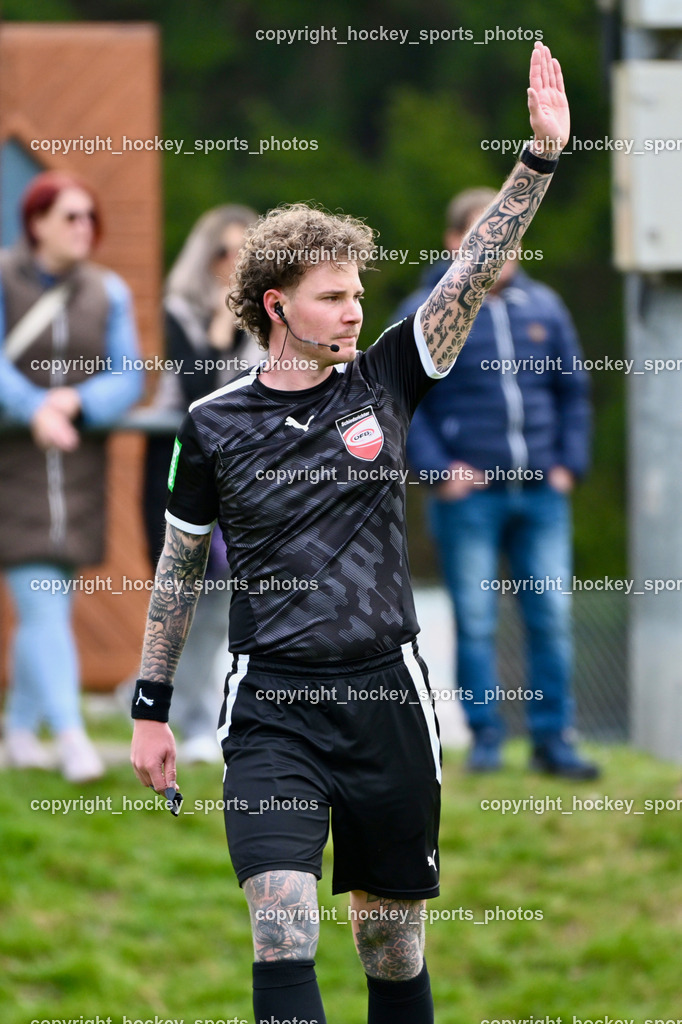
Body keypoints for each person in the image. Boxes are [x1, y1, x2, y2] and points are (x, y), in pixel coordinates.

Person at [131, 43, 570, 1024]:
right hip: (274, 706)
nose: (355, 308)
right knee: (281, 927)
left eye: (359, 294)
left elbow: (471, 268)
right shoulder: (213, 422)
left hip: (385, 696)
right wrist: (149, 705)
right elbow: (178, 563)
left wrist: (536, 160)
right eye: (334, 295)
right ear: (277, 304)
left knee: (390, 944)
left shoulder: (384, 380)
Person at [400, 184, 597, 779]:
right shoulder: (428, 309)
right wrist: (438, 471)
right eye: (483, 234)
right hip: (470, 498)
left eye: (509, 236)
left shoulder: (545, 307)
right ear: (454, 240)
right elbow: (399, 399)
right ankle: (485, 740)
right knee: (477, 619)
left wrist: (568, 464)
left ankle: (553, 739)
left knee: (550, 617)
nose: (498, 248)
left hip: (541, 492)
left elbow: (573, 392)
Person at [0, 170, 143, 782]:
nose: (85, 228)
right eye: (70, 217)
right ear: (36, 223)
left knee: (50, 602)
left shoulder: (108, 291)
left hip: (78, 474)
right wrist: (33, 407)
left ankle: (17, 728)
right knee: (44, 604)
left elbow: (129, 375)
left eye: (90, 217)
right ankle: (72, 738)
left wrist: (75, 405)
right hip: (15, 468)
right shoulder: (3, 278)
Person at [142, 204, 261, 763]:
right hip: (179, 468)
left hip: (240, 475)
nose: (231, 264)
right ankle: (179, 715)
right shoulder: (180, 310)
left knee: (221, 604)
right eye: (223, 252)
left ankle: (199, 717)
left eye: (244, 253)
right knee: (181, 595)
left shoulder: (268, 314)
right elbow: (198, 392)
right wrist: (219, 328)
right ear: (204, 254)